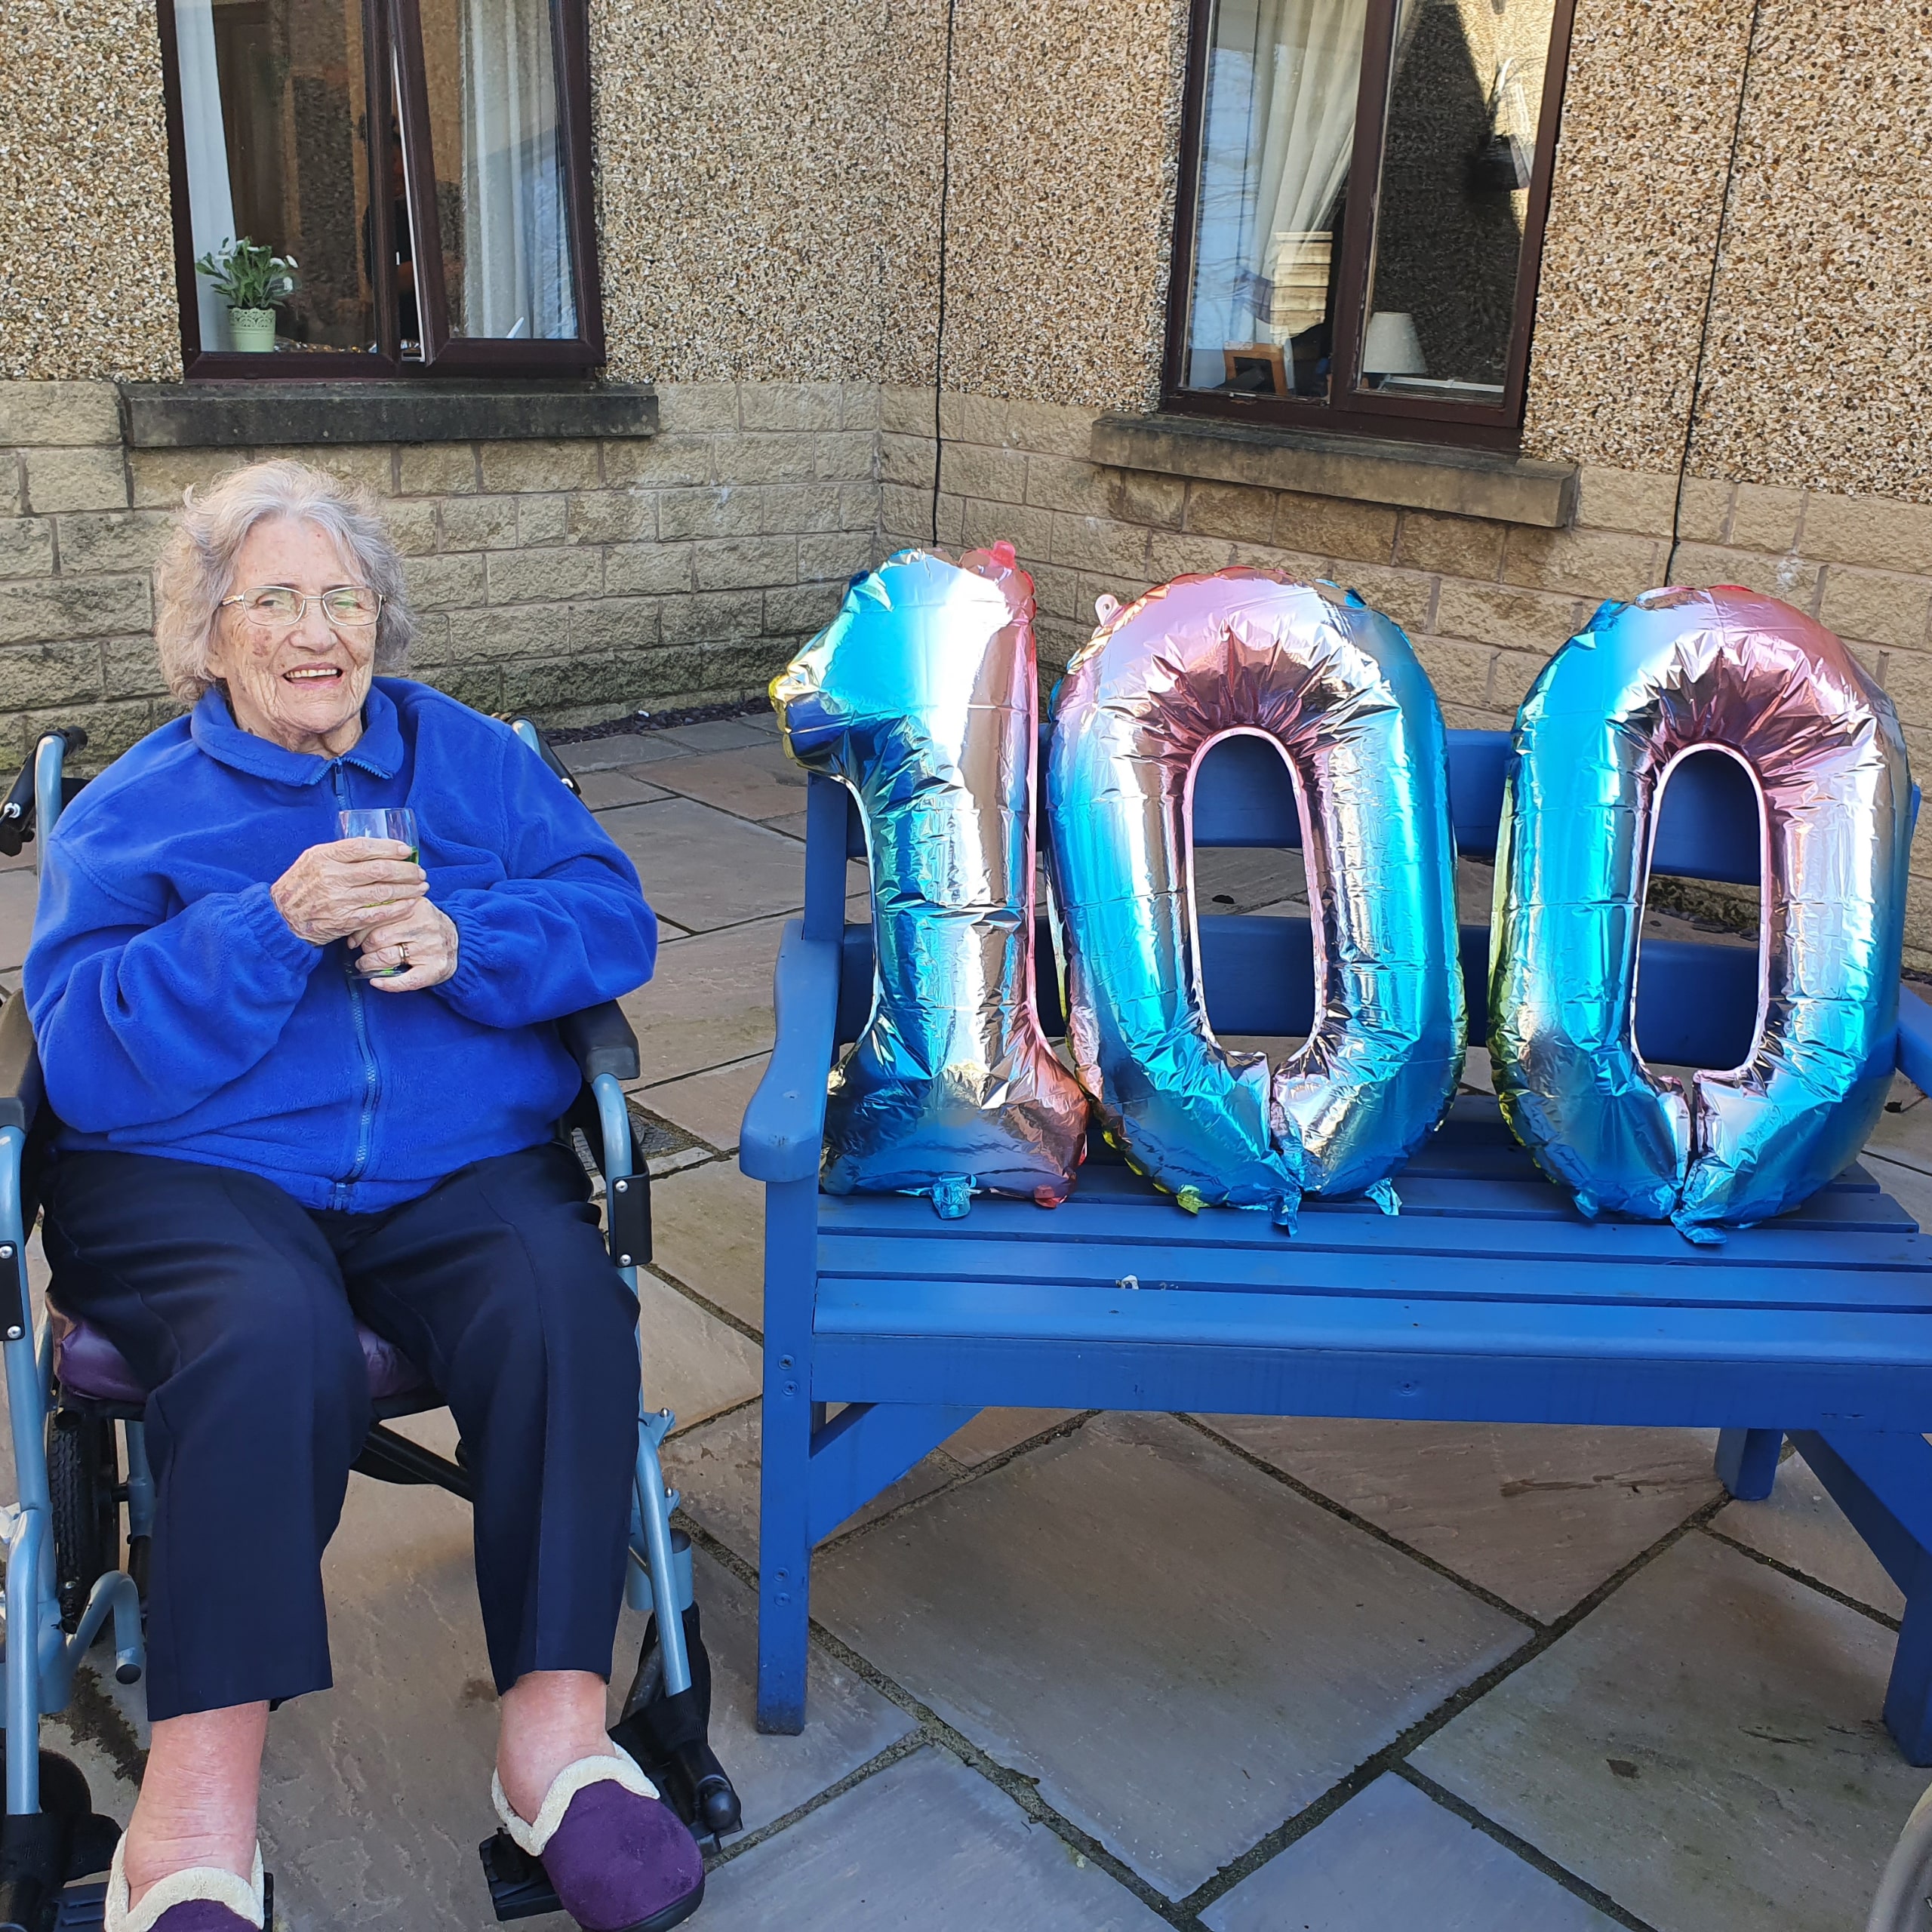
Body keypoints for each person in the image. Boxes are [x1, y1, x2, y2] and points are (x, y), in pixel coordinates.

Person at [24, 460, 703, 1932]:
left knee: (558, 1297)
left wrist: (472, 936)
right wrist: (268, 926)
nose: (316, 629)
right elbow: (77, 1046)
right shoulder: (133, 813)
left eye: (343, 597)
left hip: (451, 1166)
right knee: (266, 1331)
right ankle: (194, 1810)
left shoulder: (471, 762)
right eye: (272, 598)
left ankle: (556, 1739)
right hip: (195, 1172)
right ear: (208, 635)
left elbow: (610, 917)